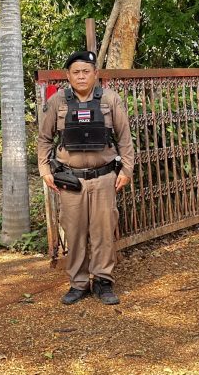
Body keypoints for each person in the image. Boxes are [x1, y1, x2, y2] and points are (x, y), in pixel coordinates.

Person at [37, 50, 134, 305]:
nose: (81, 76)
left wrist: (127, 170)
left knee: (103, 231)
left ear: (95, 74)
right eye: (76, 72)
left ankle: (103, 281)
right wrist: (45, 170)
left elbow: (125, 138)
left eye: (86, 71)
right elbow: (44, 139)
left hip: (104, 178)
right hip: (71, 180)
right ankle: (78, 283)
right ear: (68, 75)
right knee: (75, 232)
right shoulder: (58, 101)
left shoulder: (110, 99)